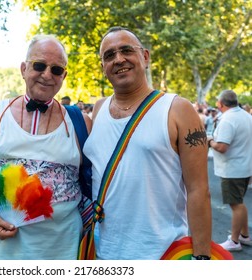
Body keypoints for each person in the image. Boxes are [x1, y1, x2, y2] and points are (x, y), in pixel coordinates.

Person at [0, 34, 91, 260]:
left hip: (64, 250)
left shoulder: (81, 122)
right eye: (39, 65)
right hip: (1, 254)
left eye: (56, 70)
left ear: (64, 76)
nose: (47, 75)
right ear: (23, 68)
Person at [82, 27, 212, 259]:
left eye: (126, 50)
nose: (119, 59)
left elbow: (198, 190)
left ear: (145, 56)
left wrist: (201, 257)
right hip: (103, 251)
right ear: (103, 67)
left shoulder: (177, 109)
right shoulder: (99, 109)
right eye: (109, 55)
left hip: (161, 254)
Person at [208, 90, 252, 251]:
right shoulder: (246, 116)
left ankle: (234, 241)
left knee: (236, 205)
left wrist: (210, 141)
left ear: (220, 103)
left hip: (232, 169)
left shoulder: (228, 119)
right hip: (244, 167)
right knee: (239, 203)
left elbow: (221, 146)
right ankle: (244, 236)